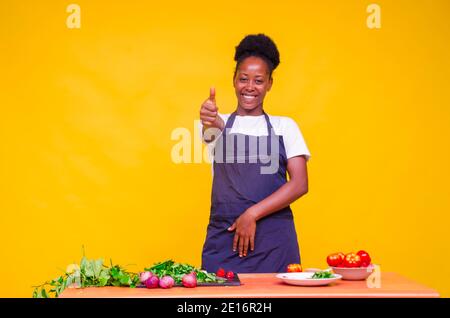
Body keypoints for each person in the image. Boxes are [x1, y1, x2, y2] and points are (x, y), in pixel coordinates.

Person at [199, 34, 311, 273]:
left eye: (258, 80)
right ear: (234, 80)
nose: (250, 87)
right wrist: (209, 117)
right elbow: (210, 130)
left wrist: (252, 214)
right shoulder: (220, 124)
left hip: (275, 245)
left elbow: (300, 183)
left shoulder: (285, 126)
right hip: (224, 241)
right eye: (243, 79)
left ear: (270, 83)